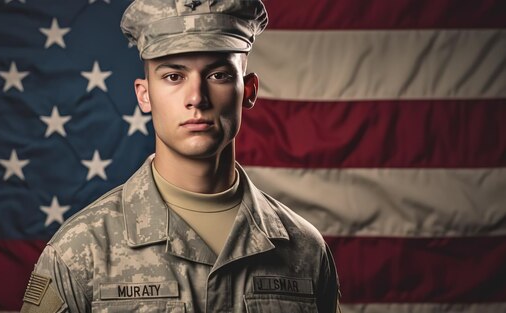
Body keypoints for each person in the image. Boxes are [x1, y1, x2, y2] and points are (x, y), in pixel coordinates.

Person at [20, 0, 340, 312]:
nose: (196, 98)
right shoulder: (81, 249)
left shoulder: (304, 249)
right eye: (174, 76)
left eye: (218, 75)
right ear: (144, 95)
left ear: (249, 90)